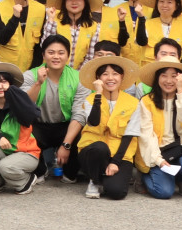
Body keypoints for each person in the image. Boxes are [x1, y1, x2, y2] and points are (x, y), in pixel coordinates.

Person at [58, 54, 154, 201]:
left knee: (117, 192)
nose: (110, 78)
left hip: (120, 154)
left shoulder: (133, 103)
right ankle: (94, 180)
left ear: (122, 77)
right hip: (93, 151)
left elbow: (130, 134)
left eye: (115, 74)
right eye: (105, 74)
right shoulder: (90, 100)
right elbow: (93, 122)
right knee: (100, 148)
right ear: (98, 78)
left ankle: (105, 179)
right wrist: (98, 94)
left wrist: (115, 162)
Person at [135, 56, 182, 199]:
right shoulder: (147, 101)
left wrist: (180, 91)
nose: (169, 81)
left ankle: (180, 179)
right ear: (157, 78)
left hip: (180, 149)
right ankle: (145, 175)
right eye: (164, 76)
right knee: (164, 192)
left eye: (174, 76)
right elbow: (146, 136)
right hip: (157, 151)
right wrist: (158, 161)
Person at [0, 61, 43, 194]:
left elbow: (33, 115)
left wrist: (14, 93)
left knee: (5, 166)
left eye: (4, 82)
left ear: (11, 85)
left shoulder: (19, 103)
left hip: (26, 153)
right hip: (3, 151)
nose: (0, 86)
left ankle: (25, 181)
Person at [23, 34, 80, 181]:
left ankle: (70, 169)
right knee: (23, 130)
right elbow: (24, 107)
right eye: (51, 52)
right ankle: (40, 168)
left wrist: (66, 145)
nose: (56, 57)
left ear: (68, 56)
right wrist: (38, 83)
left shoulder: (78, 78)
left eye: (61, 53)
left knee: (70, 176)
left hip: (66, 127)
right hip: (39, 126)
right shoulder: (30, 75)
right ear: (43, 55)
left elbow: (79, 114)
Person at [45, 0, 107, 67]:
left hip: (80, 73)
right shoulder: (54, 21)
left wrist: (76, 74)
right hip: (53, 70)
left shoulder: (94, 27)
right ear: (64, 2)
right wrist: (50, 19)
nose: (74, 2)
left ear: (85, 2)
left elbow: (90, 56)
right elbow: (46, 46)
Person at [128, 0, 182, 65]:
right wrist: (141, 18)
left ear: (176, 6)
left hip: (173, 70)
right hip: (149, 68)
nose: (165, 5)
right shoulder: (147, 23)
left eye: (169, 2)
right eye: (161, 1)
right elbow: (141, 42)